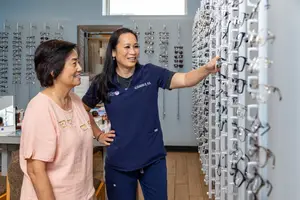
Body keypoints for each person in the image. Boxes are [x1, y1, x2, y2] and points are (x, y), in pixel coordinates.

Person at [82, 27, 219, 200]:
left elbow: (185, 79)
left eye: (136, 46)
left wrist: (206, 69)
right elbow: (82, 109)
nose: (133, 52)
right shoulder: (103, 82)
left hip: (152, 159)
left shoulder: (150, 73)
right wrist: (98, 134)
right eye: (127, 47)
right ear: (114, 52)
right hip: (119, 162)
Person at [19, 40, 96, 200]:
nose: (80, 68)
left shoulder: (75, 100)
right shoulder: (40, 108)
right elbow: (35, 171)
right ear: (53, 71)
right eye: (74, 63)